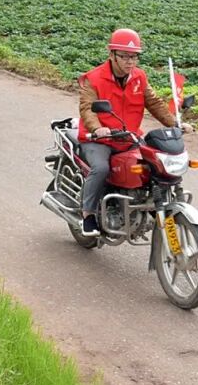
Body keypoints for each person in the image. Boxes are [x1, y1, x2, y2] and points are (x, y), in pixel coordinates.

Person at [76, 28, 187, 237]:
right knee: (100, 168)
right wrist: (97, 129)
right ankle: (88, 214)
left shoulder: (139, 77)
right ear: (112, 55)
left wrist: (175, 124)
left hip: (129, 137)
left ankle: (153, 205)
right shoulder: (94, 78)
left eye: (134, 56)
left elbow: (154, 103)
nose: (130, 61)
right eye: (124, 56)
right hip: (100, 139)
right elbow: (87, 108)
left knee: (154, 165)